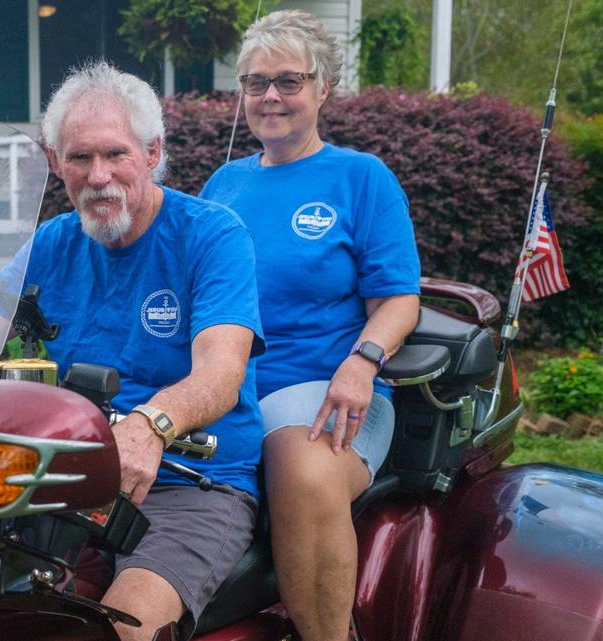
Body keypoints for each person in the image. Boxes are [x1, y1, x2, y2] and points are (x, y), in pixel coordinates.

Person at [0, 62, 267, 641]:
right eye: (79, 158)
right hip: (60, 478)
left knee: (122, 630)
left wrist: (152, 426)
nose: (98, 175)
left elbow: (222, 373)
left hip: (190, 481)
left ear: (152, 153)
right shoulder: (53, 243)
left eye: (115, 154)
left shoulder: (211, 234)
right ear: (56, 163)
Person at [199, 11, 421, 641]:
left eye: (289, 80)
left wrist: (363, 360)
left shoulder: (361, 178)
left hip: (331, 391)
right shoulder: (224, 184)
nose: (271, 96)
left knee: (301, 470)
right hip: (227, 390)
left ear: (324, 89)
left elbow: (400, 299)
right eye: (256, 82)